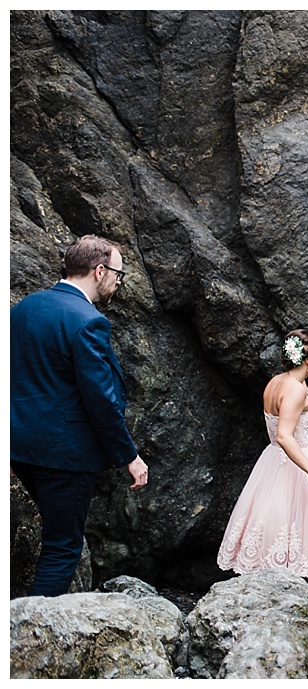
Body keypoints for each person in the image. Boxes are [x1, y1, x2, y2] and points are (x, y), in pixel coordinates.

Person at [10, 234, 149, 597]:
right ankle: (30, 637)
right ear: (99, 270)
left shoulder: (22, 309)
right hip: (64, 455)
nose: (118, 282)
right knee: (62, 548)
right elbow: (101, 400)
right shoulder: (88, 321)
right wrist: (129, 456)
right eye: (118, 274)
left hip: (22, 450)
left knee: (58, 537)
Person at [216, 328, 308, 596]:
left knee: (276, 533)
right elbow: (285, 435)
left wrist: (302, 397)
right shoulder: (294, 390)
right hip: (296, 465)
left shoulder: (276, 383)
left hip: (272, 464)